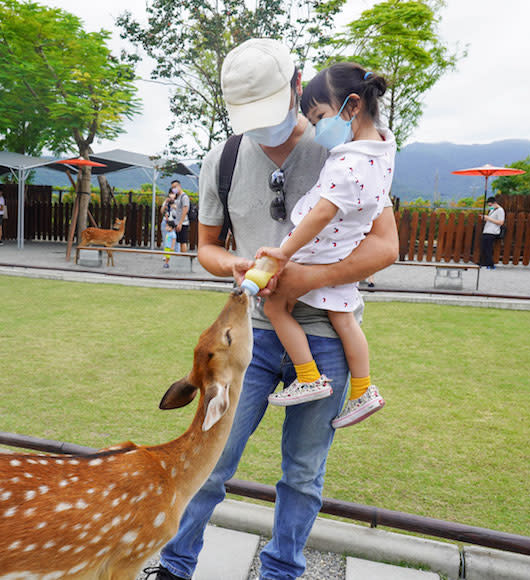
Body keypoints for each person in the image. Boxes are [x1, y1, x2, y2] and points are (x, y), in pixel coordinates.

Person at [145, 38, 398, 580]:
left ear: (297, 83)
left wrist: (307, 276)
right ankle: (174, 566)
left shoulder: (344, 144)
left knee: (302, 475)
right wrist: (234, 265)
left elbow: (386, 246)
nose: (264, 126)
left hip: (326, 338)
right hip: (249, 342)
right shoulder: (225, 156)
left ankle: (282, 572)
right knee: (210, 462)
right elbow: (206, 248)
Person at [255, 63, 392, 428]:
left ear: (352, 106)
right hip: (347, 246)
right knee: (343, 316)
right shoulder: (382, 148)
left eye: (320, 117)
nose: (318, 129)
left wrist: (284, 252)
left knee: (274, 306)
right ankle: (362, 389)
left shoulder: (346, 163)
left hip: (322, 246)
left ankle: (308, 375)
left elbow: (321, 213)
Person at [479, 197, 505, 269]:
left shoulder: (500, 210)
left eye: (490, 205)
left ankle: (490, 264)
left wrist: (488, 218)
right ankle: (483, 262)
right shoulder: (492, 210)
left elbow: (501, 222)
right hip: (487, 230)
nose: (489, 207)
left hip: (493, 232)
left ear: (495, 203)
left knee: (488, 248)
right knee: (484, 247)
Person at [171, 180, 191, 252]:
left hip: (183, 223)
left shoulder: (184, 196)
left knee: (183, 241)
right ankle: (180, 256)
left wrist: (180, 223)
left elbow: (185, 209)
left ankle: (184, 257)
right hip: (177, 222)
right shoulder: (177, 197)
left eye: (175, 187)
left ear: (179, 186)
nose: (173, 189)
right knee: (179, 242)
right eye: (172, 188)